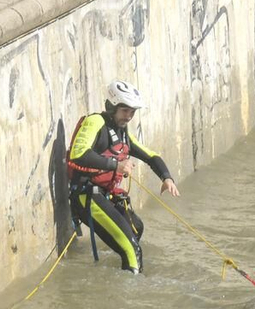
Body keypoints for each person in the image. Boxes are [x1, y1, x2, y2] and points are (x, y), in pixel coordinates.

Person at [65, 80, 180, 273]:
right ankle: (132, 296)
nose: (129, 116)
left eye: (132, 112)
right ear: (112, 106)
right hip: (87, 196)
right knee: (132, 250)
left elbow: (151, 156)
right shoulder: (95, 122)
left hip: (106, 194)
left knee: (136, 228)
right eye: (125, 111)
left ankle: (120, 271)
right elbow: (79, 153)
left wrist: (166, 178)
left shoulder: (122, 132)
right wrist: (115, 165)